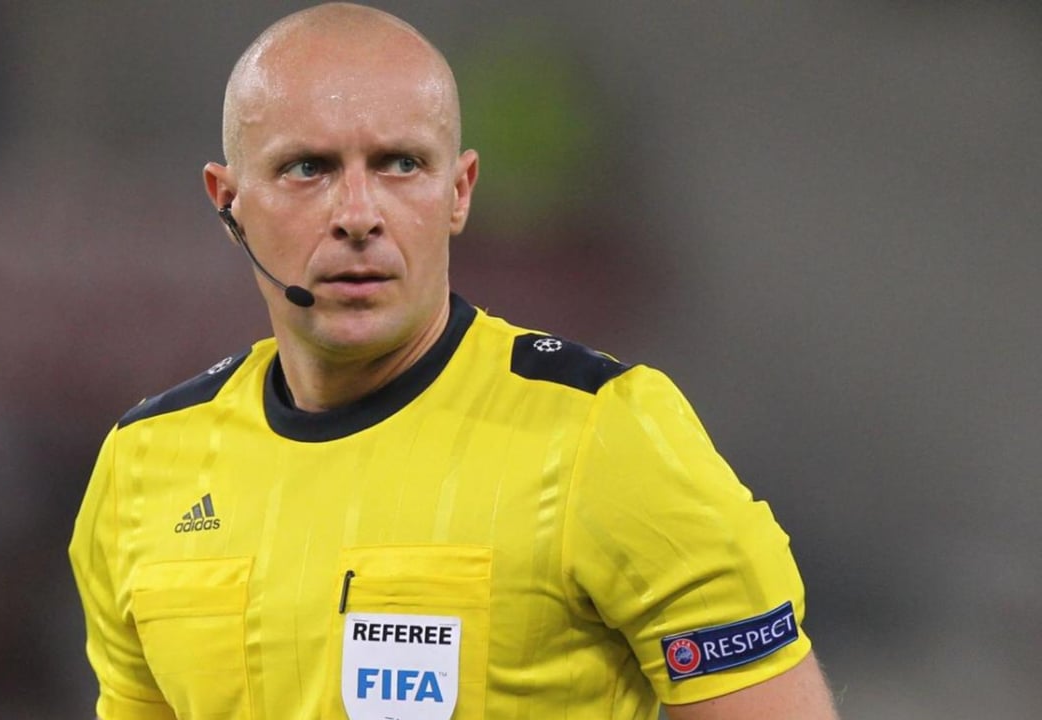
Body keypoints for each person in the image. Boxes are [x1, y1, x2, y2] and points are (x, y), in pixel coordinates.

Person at [68, 3, 840, 719]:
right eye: (308, 168)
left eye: (400, 164)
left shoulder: (603, 436)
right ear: (228, 202)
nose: (358, 216)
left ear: (460, 191)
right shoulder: (143, 466)